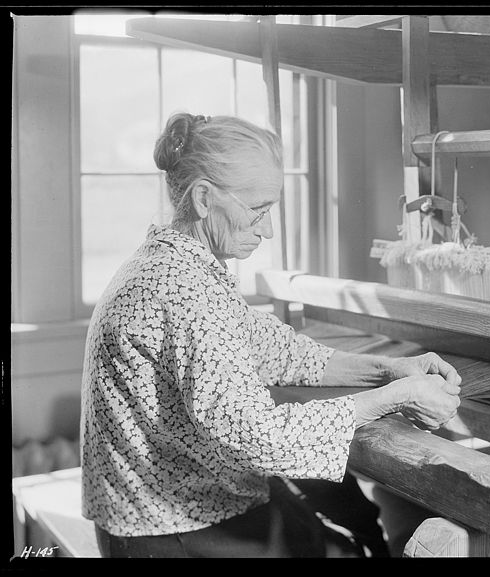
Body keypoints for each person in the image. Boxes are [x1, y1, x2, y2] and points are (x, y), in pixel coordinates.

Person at [80, 112, 462, 558]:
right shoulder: (184, 290)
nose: (268, 229)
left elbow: (274, 348)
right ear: (203, 198)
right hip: (164, 529)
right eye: (258, 211)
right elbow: (258, 437)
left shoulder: (176, 261)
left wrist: (391, 369)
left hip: (175, 502)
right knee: (344, 547)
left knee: (345, 531)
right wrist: (397, 397)